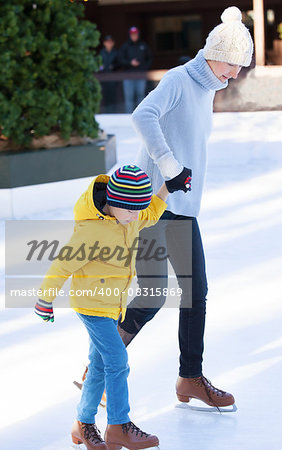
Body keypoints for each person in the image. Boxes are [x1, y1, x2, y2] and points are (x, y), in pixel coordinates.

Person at [117, 7, 254, 409]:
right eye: (231, 65)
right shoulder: (179, 79)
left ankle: (189, 377)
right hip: (153, 204)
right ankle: (101, 364)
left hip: (184, 207)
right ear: (213, 53)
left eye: (239, 67)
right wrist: (170, 166)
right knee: (153, 294)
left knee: (196, 294)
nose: (234, 74)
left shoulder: (209, 86)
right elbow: (143, 115)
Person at [34, 165, 176, 450]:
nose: (135, 216)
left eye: (138, 209)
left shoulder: (130, 217)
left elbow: (150, 212)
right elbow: (62, 265)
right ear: (113, 202)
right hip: (91, 306)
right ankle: (119, 425)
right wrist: (44, 299)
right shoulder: (91, 230)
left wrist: (167, 188)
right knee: (117, 361)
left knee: (99, 365)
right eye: (130, 210)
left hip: (113, 305)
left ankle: (82, 424)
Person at [118, 26, 152, 113]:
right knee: (129, 97)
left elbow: (149, 59)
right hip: (128, 75)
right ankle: (128, 115)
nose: (134, 36)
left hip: (141, 75)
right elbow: (120, 59)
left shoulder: (143, 46)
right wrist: (130, 63)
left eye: (135, 34)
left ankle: (141, 114)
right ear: (130, 35)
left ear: (138, 35)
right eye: (132, 34)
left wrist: (142, 67)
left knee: (141, 95)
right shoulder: (125, 46)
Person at [99, 35, 119, 113]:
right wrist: (101, 67)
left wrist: (113, 66)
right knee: (104, 96)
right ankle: (105, 112)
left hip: (113, 78)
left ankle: (113, 112)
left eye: (110, 42)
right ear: (104, 43)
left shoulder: (116, 52)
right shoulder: (101, 53)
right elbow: (98, 63)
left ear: (113, 43)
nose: (109, 44)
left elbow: (119, 64)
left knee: (112, 96)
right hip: (104, 77)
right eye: (107, 42)